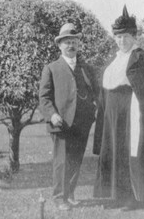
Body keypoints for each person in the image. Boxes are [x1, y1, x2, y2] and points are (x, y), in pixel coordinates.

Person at [93, 5, 144, 211]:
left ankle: (135, 197)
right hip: (111, 114)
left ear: (134, 36)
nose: (121, 41)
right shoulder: (114, 60)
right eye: (117, 37)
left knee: (130, 153)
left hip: (131, 112)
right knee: (114, 151)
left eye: (125, 37)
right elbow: (105, 88)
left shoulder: (142, 58)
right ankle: (117, 195)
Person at [39, 23, 99, 211]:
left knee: (76, 160)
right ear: (59, 45)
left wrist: (94, 109)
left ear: (78, 44)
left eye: (74, 42)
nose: (71, 45)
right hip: (60, 123)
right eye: (67, 42)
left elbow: (96, 92)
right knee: (61, 162)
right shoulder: (51, 68)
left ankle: (70, 194)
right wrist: (53, 114)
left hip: (82, 123)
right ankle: (59, 198)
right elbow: (44, 97)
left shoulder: (86, 68)